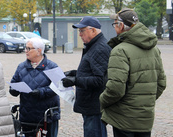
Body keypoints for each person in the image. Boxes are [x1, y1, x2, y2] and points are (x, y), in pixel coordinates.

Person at [99, 8, 166, 137]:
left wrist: (102, 100)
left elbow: (115, 88)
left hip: (124, 119)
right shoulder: (154, 49)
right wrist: (145, 102)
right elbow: (161, 84)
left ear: (121, 25)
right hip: (145, 118)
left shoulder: (120, 50)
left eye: (115, 24)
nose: (114, 28)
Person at [61, 16, 111, 137]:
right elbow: (91, 72)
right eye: (79, 31)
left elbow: (100, 80)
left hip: (94, 105)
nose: (80, 34)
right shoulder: (94, 46)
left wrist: (75, 81)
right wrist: (74, 73)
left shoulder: (99, 48)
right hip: (91, 104)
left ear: (93, 30)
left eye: (82, 31)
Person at [9, 37, 60, 137]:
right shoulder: (21, 67)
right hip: (27, 116)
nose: (25, 51)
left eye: (28, 48)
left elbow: (59, 87)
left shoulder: (52, 66)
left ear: (39, 51)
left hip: (46, 116)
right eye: (25, 48)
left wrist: (41, 92)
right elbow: (14, 82)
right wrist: (13, 90)